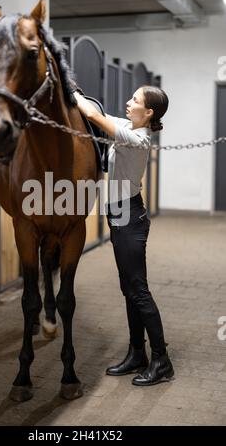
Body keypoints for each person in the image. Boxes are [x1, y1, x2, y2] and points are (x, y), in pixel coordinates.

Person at [73, 85, 174, 386]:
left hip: (130, 217)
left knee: (138, 290)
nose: (128, 102)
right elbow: (101, 116)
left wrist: (70, 88)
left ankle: (161, 360)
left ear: (149, 112)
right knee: (128, 288)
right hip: (118, 214)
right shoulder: (127, 126)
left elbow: (92, 113)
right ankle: (136, 354)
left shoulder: (138, 138)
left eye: (135, 100)